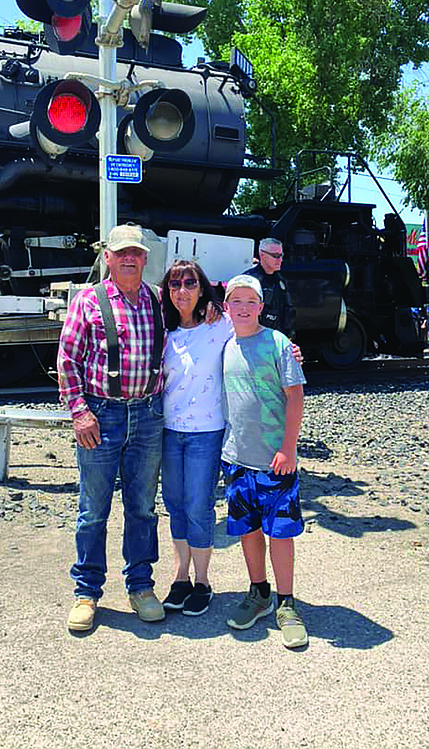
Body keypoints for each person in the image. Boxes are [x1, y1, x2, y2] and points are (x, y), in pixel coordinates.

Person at [58, 223, 166, 632]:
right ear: (108, 257)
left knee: (142, 508)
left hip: (148, 415)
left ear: (144, 258)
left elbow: (204, 315)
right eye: (121, 252)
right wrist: (79, 412)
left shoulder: (158, 300)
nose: (129, 258)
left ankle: (141, 586)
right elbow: (67, 358)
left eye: (136, 253)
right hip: (101, 417)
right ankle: (86, 593)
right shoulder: (89, 299)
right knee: (93, 509)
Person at [220, 274, 308, 650]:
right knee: (248, 529)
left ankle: (287, 603)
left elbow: (295, 396)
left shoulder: (279, 344)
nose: (242, 308)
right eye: (235, 301)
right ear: (226, 307)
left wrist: (288, 448)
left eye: (250, 301)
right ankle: (259, 592)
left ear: (261, 306)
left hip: (275, 461)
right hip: (237, 459)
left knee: (280, 532)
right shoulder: (224, 345)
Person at [159, 259, 234, 616]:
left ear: (202, 288)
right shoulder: (164, 332)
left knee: (198, 506)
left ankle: (203, 581)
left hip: (206, 431)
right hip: (171, 431)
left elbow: (255, 334)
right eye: (175, 285)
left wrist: (289, 351)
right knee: (174, 504)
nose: (182, 291)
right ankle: (180, 577)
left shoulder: (219, 326)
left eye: (190, 283)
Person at [244, 237, 296, 338]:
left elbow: (287, 311)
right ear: (262, 255)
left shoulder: (280, 281)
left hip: (275, 339)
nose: (280, 260)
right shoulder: (250, 281)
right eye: (275, 256)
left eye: (281, 256)